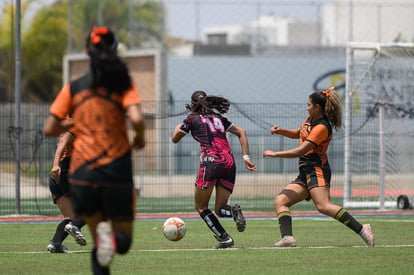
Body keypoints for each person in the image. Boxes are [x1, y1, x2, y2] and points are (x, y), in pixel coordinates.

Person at [43, 26, 145, 274]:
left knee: (99, 246)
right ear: (115, 49)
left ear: (88, 52)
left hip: (83, 175)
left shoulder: (74, 87)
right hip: (116, 170)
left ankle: (102, 241)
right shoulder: (123, 84)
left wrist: (77, 120)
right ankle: (110, 241)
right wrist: (139, 137)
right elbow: (137, 119)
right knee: (121, 242)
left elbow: (50, 128)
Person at [263, 87, 374, 248]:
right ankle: (288, 238)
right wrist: (281, 131)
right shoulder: (310, 119)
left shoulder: (322, 127)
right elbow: (299, 133)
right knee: (281, 201)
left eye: (309, 105)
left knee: (323, 206)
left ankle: (362, 229)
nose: (306, 107)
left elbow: (301, 150)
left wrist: (276, 154)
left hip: (317, 170)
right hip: (305, 171)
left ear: (317, 107)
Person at [172, 91, 256, 249]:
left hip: (211, 162)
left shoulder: (191, 119)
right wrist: (246, 158)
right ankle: (233, 212)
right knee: (220, 209)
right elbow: (241, 132)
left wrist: (177, 129)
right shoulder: (219, 118)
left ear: (192, 104)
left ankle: (225, 238)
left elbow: (175, 139)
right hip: (229, 161)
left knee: (201, 206)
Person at [47, 127, 86, 253]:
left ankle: (55, 244)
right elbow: (63, 143)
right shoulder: (77, 128)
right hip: (66, 172)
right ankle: (75, 226)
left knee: (70, 216)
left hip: (56, 177)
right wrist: (55, 164)